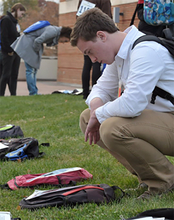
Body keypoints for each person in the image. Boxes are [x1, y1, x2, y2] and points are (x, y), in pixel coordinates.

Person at [70, 8, 174, 200]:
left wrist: (99, 114)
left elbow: (133, 104)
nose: (92, 59)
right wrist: (95, 111)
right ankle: (147, 177)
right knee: (87, 117)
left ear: (101, 36)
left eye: (90, 52)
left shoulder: (145, 51)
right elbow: (99, 90)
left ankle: (164, 181)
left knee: (112, 127)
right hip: (162, 121)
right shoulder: (121, 53)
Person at [11, 25, 72, 95]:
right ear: (64, 35)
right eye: (66, 40)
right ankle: (33, 92)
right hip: (29, 44)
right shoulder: (53, 31)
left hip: (30, 43)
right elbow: (38, 41)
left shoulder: (54, 31)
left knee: (33, 70)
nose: (63, 42)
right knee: (30, 70)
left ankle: (34, 91)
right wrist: (36, 52)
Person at [77, 0, 112, 99]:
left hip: (84, 35)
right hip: (97, 36)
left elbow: (78, 16)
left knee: (87, 65)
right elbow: (107, 18)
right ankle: (95, 93)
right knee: (96, 64)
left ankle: (85, 92)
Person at [0, 3, 26, 96]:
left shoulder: (15, 22)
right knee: (5, 75)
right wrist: (8, 50)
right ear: (18, 10)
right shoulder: (6, 20)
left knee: (14, 75)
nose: (21, 16)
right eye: (21, 14)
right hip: (8, 53)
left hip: (16, 52)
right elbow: (4, 37)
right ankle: (1, 94)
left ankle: (13, 95)